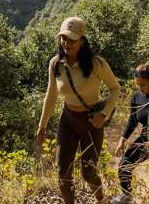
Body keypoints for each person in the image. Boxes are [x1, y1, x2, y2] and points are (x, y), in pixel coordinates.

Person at [37, 17, 122, 204]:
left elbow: (115, 88)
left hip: (92, 124)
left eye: (72, 39)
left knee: (88, 173)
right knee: (62, 172)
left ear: (82, 40)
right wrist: (42, 125)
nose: (66, 43)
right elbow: (51, 96)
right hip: (67, 120)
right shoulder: (55, 64)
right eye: (63, 38)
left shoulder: (96, 63)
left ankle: (100, 199)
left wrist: (104, 114)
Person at [111, 63, 149, 204]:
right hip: (146, 137)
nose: (139, 87)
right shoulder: (137, 96)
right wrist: (122, 140)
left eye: (143, 84)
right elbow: (132, 120)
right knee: (124, 165)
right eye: (137, 84)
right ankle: (126, 196)